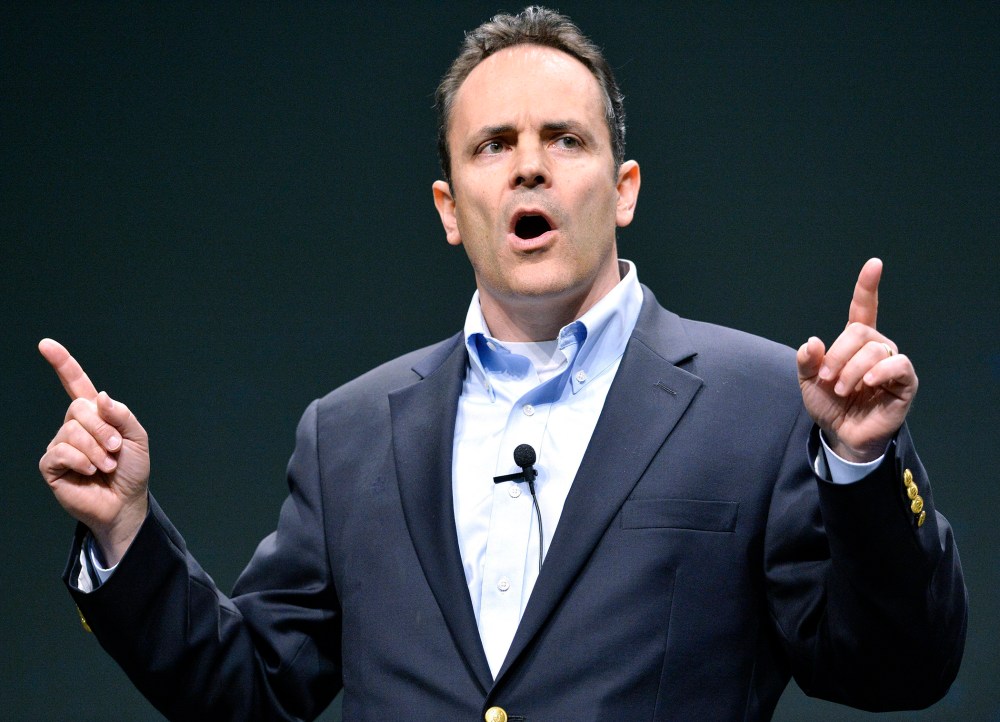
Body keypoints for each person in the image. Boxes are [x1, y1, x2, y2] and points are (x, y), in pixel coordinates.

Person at [39, 7, 966, 721]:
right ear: (450, 207)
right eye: (494, 146)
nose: (530, 167)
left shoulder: (760, 404)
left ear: (624, 188)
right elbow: (251, 693)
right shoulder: (351, 432)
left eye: (565, 139)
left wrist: (861, 467)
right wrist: (125, 533)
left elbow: (899, 669)